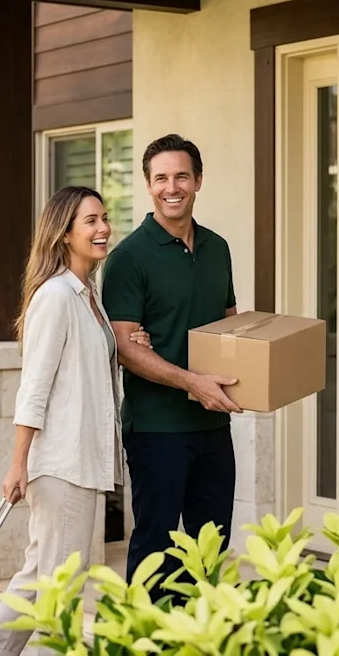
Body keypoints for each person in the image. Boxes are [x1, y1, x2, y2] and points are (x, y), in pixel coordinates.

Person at [0, 186, 151, 656]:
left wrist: (125, 345)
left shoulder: (86, 297)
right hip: (60, 462)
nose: (102, 229)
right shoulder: (56, 296)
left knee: (60, 577)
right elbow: (33, 388)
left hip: (81, 461)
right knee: (46, 578)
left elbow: (83, 371)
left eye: (103, 218)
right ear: (64, 233)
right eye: (90, 222)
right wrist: (19, 464)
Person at [101, 134, 242, 599]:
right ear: (148, 185)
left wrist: (251, 370)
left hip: (213, 425)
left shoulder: (218, 248)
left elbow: (226, 324)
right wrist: (192, 383)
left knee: (209, 548)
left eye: (181, 175)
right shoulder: (128, 258)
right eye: (160, 178)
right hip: (158, 430)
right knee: (156, 553)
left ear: (198, 180)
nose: (171, 186)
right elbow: (124, 346)